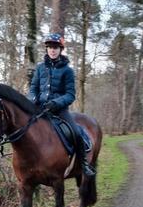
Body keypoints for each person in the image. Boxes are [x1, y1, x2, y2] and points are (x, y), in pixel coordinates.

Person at [28, 33, 95, 177]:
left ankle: (83, 164)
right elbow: (33, 88)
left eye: (56, 47)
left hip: (59, 110)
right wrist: (32, 99)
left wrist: (55, 103)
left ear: (60, 49)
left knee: (76, 133)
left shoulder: (68, 71)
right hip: (39, 109)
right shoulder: (40, 68)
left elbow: (70, 95)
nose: (52, 50)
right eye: (50, 47)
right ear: (46, 49)